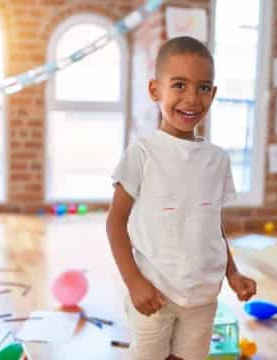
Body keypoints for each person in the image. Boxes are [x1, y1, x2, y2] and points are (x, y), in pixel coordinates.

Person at [106, 36, 256, 360]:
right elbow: (115, 223)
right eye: (179, 85)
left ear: (213, 94)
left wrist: (233, 274)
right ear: (154, 90)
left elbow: (213, 227)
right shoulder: (142, 153)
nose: (192, 98)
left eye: (203, 88)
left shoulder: (217, 160)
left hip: (202, 298)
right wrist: (134, 282)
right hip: (154, 295)